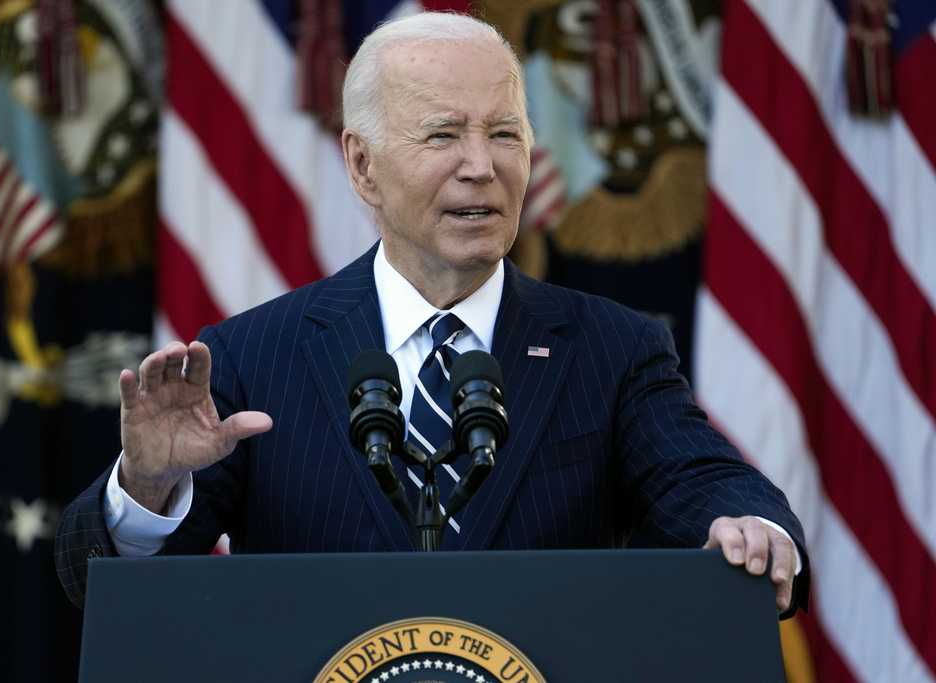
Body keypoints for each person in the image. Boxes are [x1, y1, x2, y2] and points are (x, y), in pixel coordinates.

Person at [55, 12, 809, 616]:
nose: (482, 166)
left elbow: (702, 479)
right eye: (444, 134)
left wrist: (751, 527)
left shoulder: (612, 348)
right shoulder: (256, 354)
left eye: (505, 134)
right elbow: (106, 586)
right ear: (362, 165)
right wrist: (147, 486)